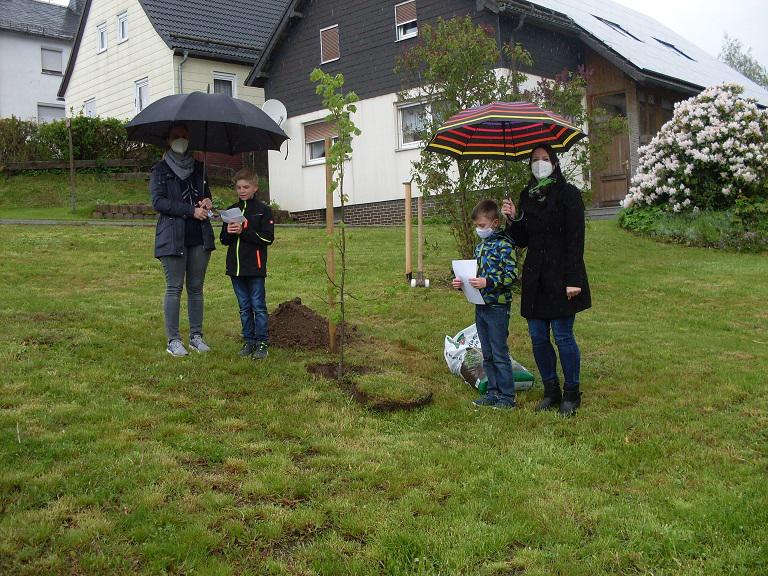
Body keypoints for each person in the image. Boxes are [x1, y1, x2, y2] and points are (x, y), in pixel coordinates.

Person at [502, 145, 591, 416]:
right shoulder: (528, 196)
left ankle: (572, 393)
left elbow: (576, 239)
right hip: (535, 278)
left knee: (563, 336)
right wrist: (513, 218)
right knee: (538, 337)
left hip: (563, 276)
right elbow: (522, 239)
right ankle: (551, 390)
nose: (539, 163)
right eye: (534, 160)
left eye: (544, 159)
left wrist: (573, 279)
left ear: (554, 162)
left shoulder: (569, 194)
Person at [150, 123, 215, 357]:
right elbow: (159, 202)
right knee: (174, 287)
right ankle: (173, 340)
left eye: (185, 136)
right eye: (176, 136)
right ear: (168, 140)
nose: (181, 140)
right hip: (172, 236)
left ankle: (196, 337)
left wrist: (207, 201)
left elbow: (206, 195)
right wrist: (190, 211)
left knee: (196, 288)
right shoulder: (160, 170)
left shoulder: (199, 167)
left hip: (199, 235)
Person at [452, 199, 518, 409]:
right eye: (476, 226)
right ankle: (492, 392)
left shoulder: (505, 245)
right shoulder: (480, 247)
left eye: (481, 225)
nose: (478, 230)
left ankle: (507, 397)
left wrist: (487, 282)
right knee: (487, 353)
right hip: (480, 306)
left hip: (497, 307)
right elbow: (475, 276)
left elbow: (512, 276)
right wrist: (460, 282)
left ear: (495, 222)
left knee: (499, 353)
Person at [220, 169, 274, 359]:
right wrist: (229, 230)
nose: (242, 190)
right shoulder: (231, 210)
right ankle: (249, 341)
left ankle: (262, 343)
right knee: (244, 307)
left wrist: (244, 231)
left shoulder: (263, 210)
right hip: (235, 269)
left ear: (255, 188)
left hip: (255, 268)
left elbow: (268, 239)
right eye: (238, 187)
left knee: (258, 306)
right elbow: (224, 241)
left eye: (246, 187)